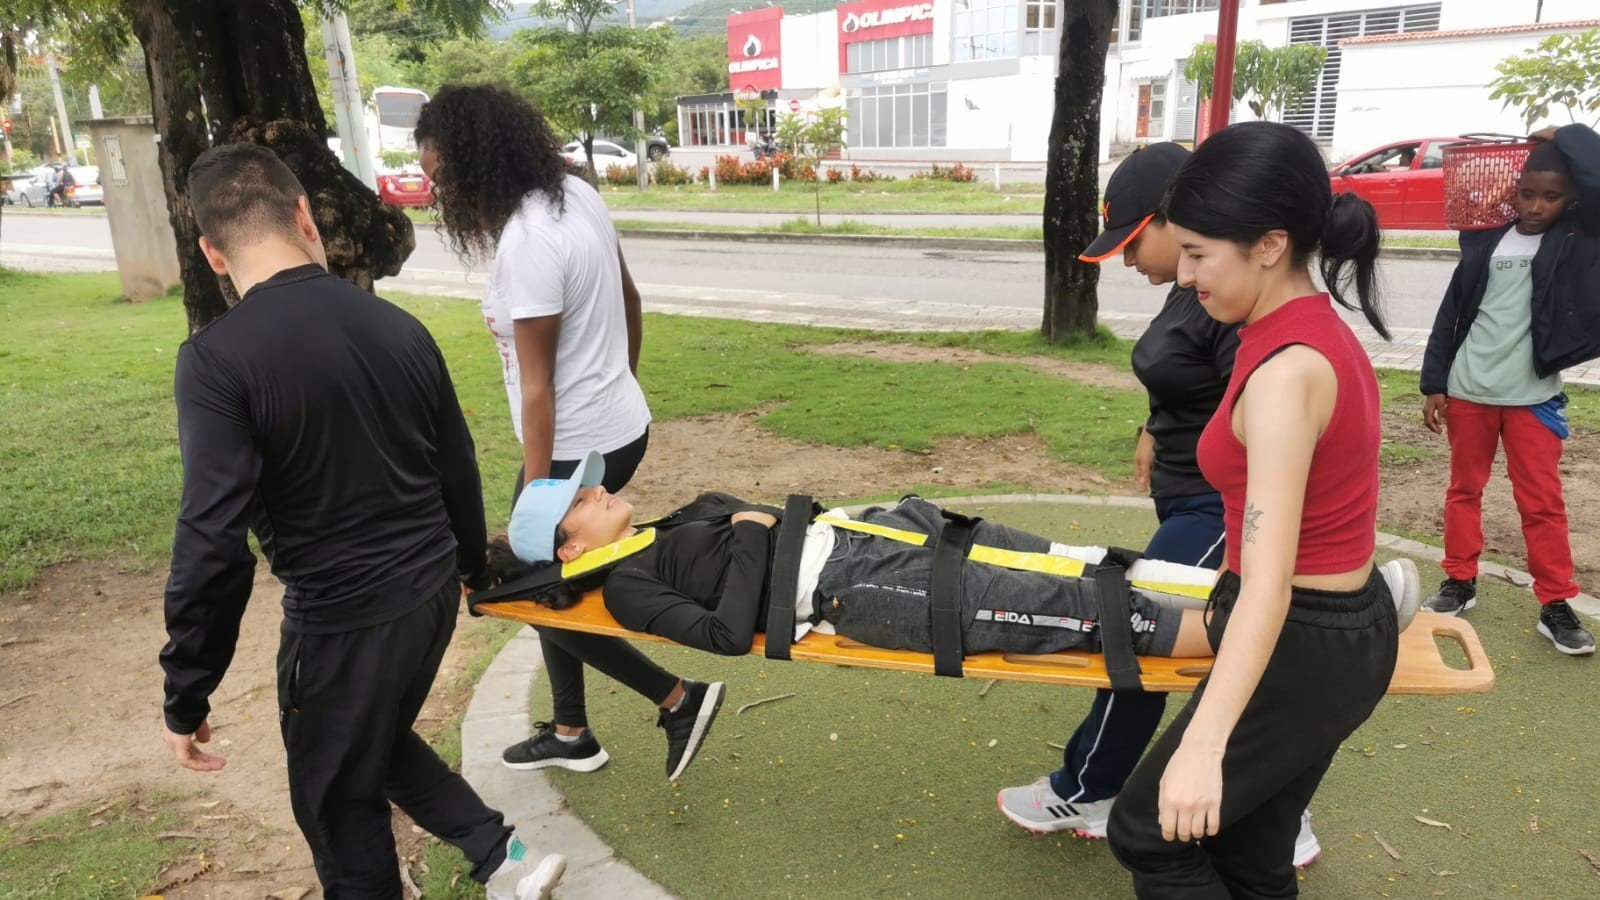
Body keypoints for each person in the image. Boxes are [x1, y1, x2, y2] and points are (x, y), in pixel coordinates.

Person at [157, 144, 564, 899]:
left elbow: (211, 541)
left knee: (337, 802)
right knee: (367, 742)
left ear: (213, 254)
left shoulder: (213, 360)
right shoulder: (398, 326)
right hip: (429, 595)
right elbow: (458, 465)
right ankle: (500, 855)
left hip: (342, 622)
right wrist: (470, 568)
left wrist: (187, 689)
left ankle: (489, 859)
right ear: (305, 216)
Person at [995, 141, 1327, 857]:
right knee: (1184, 633)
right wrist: (1155, 427)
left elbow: (1261, 408)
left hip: (1221, 507)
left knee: (1139, 626)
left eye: (1133, 241)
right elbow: (1194, 380)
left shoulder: (1242, 308)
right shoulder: (1198, 291)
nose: (1130, 262)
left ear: (1176, 218)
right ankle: (1272, 807)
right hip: (1188, 496)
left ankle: (1094, 786)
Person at [1098, 121, 1399, 899]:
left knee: (1147, 831)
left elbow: (1268, 582)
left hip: (1303, 638)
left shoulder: (1285, 373)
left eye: (1199, 254)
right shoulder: (1293, 330)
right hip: (1328, 631)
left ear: (1269, 245)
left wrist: (1203, 745)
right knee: (1250, 857)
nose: (1185, 274)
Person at [414, 84, 723, 782]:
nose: (439, 194)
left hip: (571, 447)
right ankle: (570, 730)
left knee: (526, 588)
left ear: (474, 163)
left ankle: (678, 699)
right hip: (616, 426)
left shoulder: (528, 242)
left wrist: (539, 496)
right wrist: (619, 383)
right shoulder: (576, 194)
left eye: (442, 178)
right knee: (548, 581)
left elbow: (538, 388)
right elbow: (631, 300)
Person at [500, 454, 1417, 669]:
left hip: (876, 533)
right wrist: (746, 532)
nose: (598, 489)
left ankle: (1272, 595)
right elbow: (723, 635)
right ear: (569, 547)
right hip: (857, 590)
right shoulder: (629, 585)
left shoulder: (663, 526)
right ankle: (1305, 633)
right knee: (1084, 613)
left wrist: (743, 524)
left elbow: (761, 526)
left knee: (1078, 561)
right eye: (581, 499)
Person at [1419, 124, 1600, 656]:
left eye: (1552, 196)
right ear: (1513, 191)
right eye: (1527, 193)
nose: (1537, 206)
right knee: (1464, 491)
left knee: (1542, 504)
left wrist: (1567, 134)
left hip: (1533, 397)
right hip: (1469, 389)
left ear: (1571, 198)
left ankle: (1555, 603)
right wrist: (1435, 382)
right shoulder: (1485, 239)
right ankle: (1459, 580)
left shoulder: (1578, 239)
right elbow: (1453, 312)